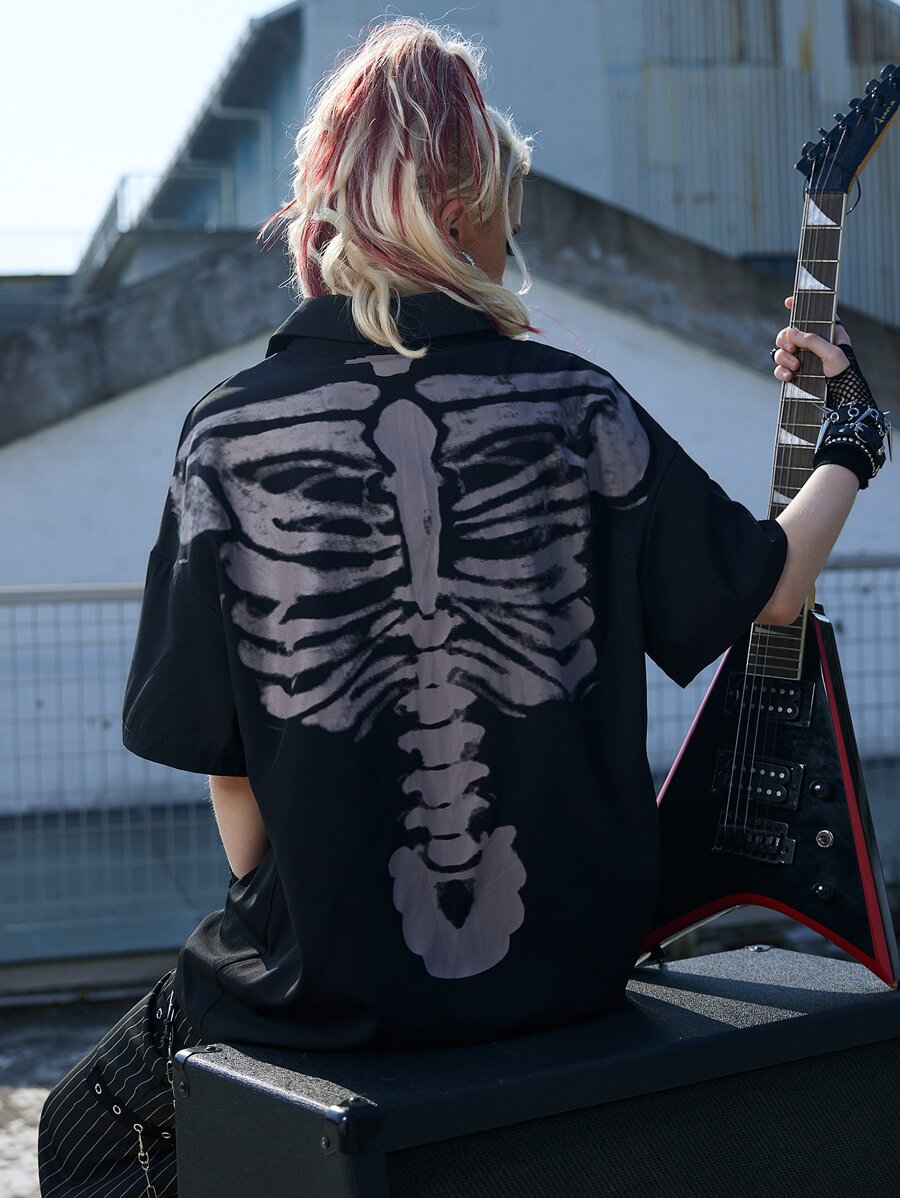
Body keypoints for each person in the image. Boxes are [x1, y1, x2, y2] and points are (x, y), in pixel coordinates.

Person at [37, 17, 889, 1198]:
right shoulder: (579, 406)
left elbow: (233, 788)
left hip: (322, 985)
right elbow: (770, 585)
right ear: (462, 206)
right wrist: (853, 437)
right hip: (570, 972)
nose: (515, 222)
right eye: (505, 195)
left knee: (76, 1135)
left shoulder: (228, 431)